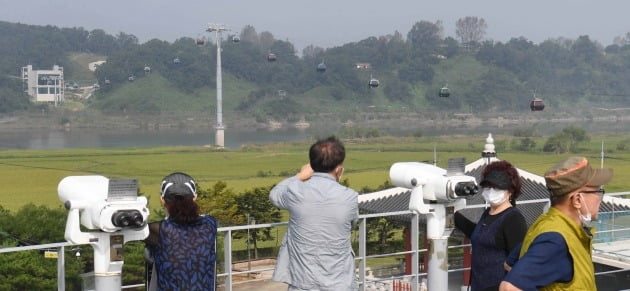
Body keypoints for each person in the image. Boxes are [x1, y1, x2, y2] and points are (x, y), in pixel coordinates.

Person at [499, 156, 613, 291]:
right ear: (577, 199)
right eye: (597, 192)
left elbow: (508, 264)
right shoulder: (556, 239)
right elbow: (509, 287)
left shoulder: (546, 223)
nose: (600, 199)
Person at [269, 136, 359, 291]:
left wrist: (299, 176)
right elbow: (351, 224)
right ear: (339, 169)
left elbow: (274, 195)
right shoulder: (349, 197)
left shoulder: (295, 191)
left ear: (311, 165)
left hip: (302, 281)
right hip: (340, 282)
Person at [454, 160, 528, 291]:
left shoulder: (513, 219)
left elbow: (519, 260)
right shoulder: (488, 212)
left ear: (510, 190)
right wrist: (452, 214)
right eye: (488, 187)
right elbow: (479, 235)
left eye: (497, 187)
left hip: (498, 286)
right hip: (478, 285)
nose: (491, 191)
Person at [145, 172, 218, 291]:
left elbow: (133, 228)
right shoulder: (210, 224)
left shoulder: (157, 230)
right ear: (194, 198)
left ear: (162, 200)